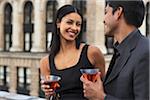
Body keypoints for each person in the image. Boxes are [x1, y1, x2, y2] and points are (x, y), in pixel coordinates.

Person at [80, 0, 149, 100]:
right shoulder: (121, 48)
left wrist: (102, 97)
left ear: (118, 13)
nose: (103, 20)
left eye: (106, 12)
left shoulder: (145, 52)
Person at [40, 4, 105, 100]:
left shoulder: (92, 52)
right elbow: (51, 97)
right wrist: (48, 92)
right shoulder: (45, 62)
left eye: (78, 24)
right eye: (69, 22)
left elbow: (105, 87)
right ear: (58, 23)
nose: (74, 28)